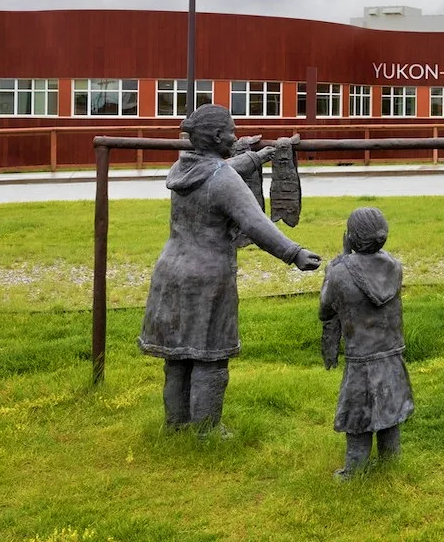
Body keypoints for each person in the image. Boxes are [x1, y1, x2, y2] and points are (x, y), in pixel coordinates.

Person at [138, 104, 321, 435]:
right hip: (207, 277)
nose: (237, 136)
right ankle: (208, 429)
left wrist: (260, 156)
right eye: (233, 131)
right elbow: (255, 223)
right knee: (211, 358)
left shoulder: (183, 167)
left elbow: (222, 170)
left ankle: (176, 425)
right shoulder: (221, 179)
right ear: (219, 136)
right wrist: (294, 253)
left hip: (171, 271)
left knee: (178, 359)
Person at [319, 207, 415, 478]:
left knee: (358, 415)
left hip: (361, 357)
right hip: (391, 352)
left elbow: (325, 310)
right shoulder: (394, 267)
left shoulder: (339, 273)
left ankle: (354, 470)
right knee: (390, 406)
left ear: (351, 237)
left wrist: (336, 266)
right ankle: (390, 460)